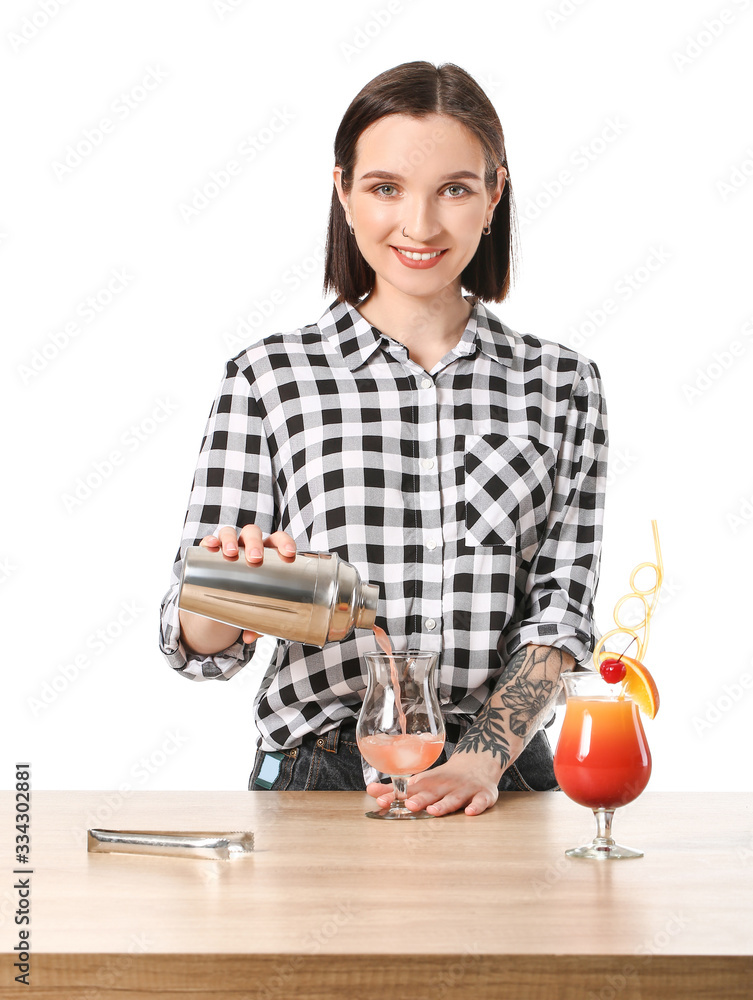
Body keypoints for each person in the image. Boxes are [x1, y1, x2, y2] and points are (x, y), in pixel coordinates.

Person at [159, 60, 608, 818]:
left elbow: (560, 613)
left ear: (494, 195)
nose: (420, 225)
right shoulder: (271, 377)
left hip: (499, 778)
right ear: (343, 191)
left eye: (455, 189)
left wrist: (479, 759)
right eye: (385, 188)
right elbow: (195, 639)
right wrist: (229, 593)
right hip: (317, 774)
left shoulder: (560, 383)